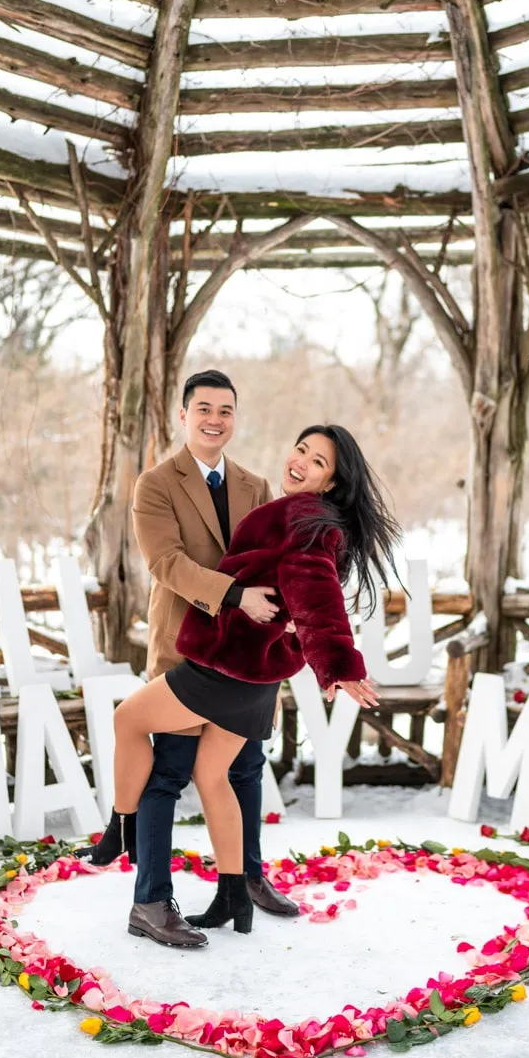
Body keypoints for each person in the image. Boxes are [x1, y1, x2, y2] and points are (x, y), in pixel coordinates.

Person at [91, 419, 400, 940]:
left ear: (330, 482)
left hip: (225, 667)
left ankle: (120, 826)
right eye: (300, 449)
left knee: (127, 719)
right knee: (212, 778)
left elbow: (315, 596)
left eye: (317, 461)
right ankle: (235, 895)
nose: (299, 461)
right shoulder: (307, 514)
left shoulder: (302, 517)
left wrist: (340, 663)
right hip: (257, 672)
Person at [88, 369, 296, 950]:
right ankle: (150, 901)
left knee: (246, 771)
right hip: (187, 651)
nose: (214, 419)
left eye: (225, 410)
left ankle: (245, 879)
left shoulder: (255, 485)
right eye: (204, 408)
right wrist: (236, 595)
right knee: (170, 773)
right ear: (184, 415)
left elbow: (279, 561)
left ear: (235, 417)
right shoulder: (155, 484)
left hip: (251, 656)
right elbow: (166, 563)